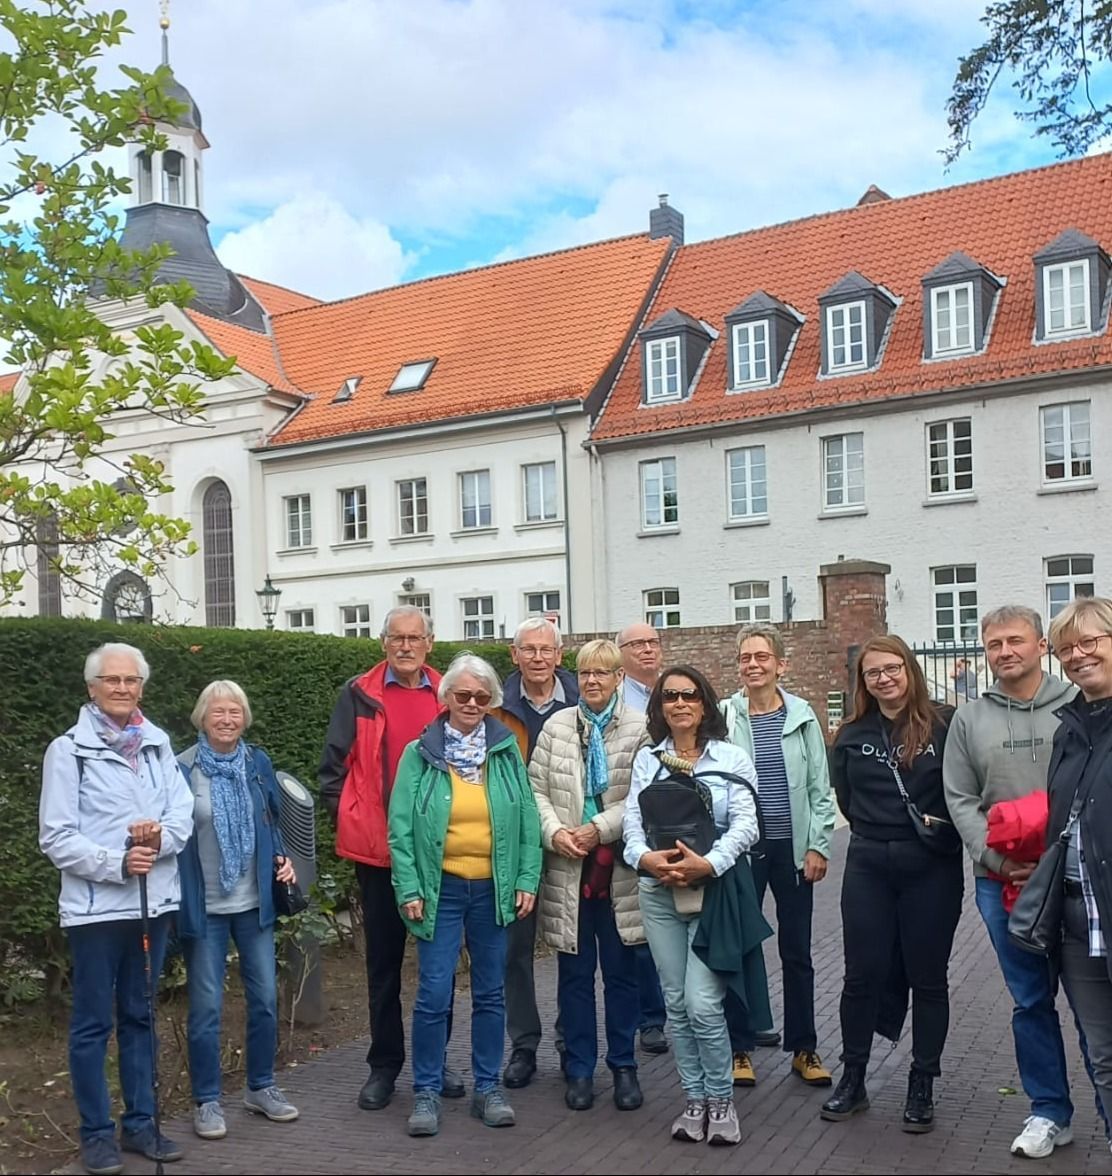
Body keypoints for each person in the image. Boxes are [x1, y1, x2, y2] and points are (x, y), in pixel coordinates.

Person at [39, 643, 194, 1176]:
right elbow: (56, 836)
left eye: (131, 680)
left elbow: (182, 814)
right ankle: (97, 1135)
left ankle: (141, 1125)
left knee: (140, 1016)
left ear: (142, 687)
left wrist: (159, 840)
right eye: (112, 680)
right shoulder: (68, 751)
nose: (122, 688)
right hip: (96, 911)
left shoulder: (157, 744)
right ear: (92, 688)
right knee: (91, 1024)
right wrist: (118, 862)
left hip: (154, 905)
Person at [388, 653, 542, 1138]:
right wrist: (408, 886)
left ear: (491, 700)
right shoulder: (419, 753)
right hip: (442, 890)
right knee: (434, 993)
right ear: (447, 697)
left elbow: (528, 819)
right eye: (463, 695)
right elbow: (400, 828)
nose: (472, 703)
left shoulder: (506, 752)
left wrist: (526, 879)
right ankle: (427, 1091)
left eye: (481, 696)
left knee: (491, 993)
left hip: (493, 889)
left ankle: (487, 1088)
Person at [944, 606, 1078, 1158]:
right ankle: (1049, 1111)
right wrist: (999, 862)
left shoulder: (1078, 704)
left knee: (1095, 998)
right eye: (994, 644)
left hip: (1076, 876)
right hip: (1003, 881)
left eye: (1016, 640)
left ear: (1041, 645)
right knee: (1030, 999)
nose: (1005, 651)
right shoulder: (968, 719)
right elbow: (960, 799)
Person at [319, 606, 462, 1111]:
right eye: (396, 638)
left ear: (430, 643)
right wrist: (354, 817)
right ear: (383, 643)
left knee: (438, 968)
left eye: (414, 638)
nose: (405, 646)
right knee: (383, 966)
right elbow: (332, 770)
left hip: (440, 855)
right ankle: (384, 1066)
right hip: (380, 855)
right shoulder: (358, 694)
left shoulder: (449, 693)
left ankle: (435, 1061)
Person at [822, 635, 963, 1134]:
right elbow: (845, 796)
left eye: (892, 668)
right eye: (873, 672)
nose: (884, 679)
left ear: (909, 669)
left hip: (930, 865)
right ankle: (853, 1077)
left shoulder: (945, 724)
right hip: (869, 864)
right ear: (862, 681)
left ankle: (922, 1082)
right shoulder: (851, 733)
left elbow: (962, 789)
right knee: (861, 975)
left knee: (929, 978)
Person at [623, 665, 764, 1147]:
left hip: (714, 893)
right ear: (660, 707)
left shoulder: (731, 757)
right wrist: (645, 859)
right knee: (677, 1003)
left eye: (689, 695)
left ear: (705, 703)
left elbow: (747, 824)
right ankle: (695, 1100)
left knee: (703, 1004)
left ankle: (722, 1100)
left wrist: (708, 863)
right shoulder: (649, 760)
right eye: (670, 697)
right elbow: (632, 824)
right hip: (659, 892)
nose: (680, 704)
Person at [177, 681, 300, 1141]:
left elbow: (272, 818)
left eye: (235, 712)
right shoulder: (182, 768)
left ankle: (261, 1087)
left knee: (265, 999)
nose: (227, 720)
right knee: (206, 1007)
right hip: (205, 907)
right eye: (218, 712)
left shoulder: (257, 763)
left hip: (254, 904)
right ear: (202, 718)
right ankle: (207, 1100)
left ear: (244, 718)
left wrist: (282, 856)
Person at [529, 639, 648, 1112]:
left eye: (602, 673)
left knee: (621, 975)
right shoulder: (557, 727)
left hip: (617, 871)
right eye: (585, 673)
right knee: (574, 978)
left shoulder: (641, 728)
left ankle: (623, 1067)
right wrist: (554, 832)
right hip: (568, 869)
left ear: (619, 677)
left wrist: (599, 828)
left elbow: (643, 795)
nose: (592, 681)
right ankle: (579, 1068)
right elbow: (534, 789)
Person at [720, 624, 835, 1089]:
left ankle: (804, 1048)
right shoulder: (725, 715)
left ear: (781, 665)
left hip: (792, 850)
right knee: (740, 948)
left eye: (762, 657)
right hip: (742, 851)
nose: (753, 665)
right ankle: (739, 1048)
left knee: (797, 951)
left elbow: (820, 788)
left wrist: (818, 845)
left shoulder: (803, 716)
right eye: (745, 657)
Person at [494, 617, 579, 1089]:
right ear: (514, 655)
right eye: (528, 649)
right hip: (513, 842)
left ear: (559, 655)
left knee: (571, 944)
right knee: (515, 949)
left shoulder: (581, 701)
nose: (538, 658)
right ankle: (524, 1045)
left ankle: (571, 1043)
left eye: (546, 649)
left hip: (569, 839)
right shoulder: (495, 706)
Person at [1045, 597, 1112, 1145]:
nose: (1077, 655)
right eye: (1066, 648)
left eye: (1090, 641)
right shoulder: (1068, 730)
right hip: (1076, 919)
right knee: (1105, 1055)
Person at [616, 621, 670, 1057]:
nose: (648, 650)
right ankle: (649, 1017)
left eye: (653, 642)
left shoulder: (675, 692)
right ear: (621, 653)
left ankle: (669, 1011)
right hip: (628, 820)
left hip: (674, 822)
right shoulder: (616, 700)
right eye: (637, 644)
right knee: (638, 927)